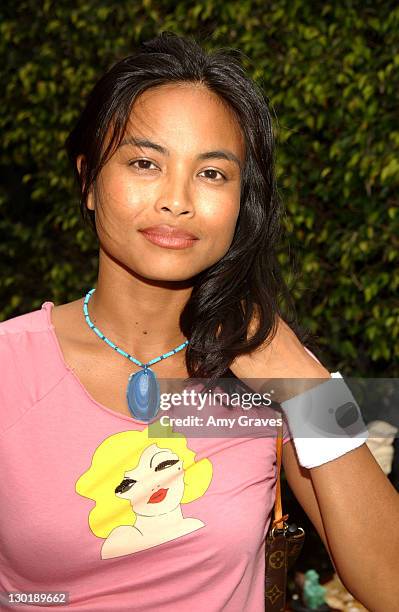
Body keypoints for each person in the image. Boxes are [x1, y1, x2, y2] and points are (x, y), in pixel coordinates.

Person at [0, 32, 398, 612]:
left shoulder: (267, 379)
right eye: (144, 163)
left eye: (212, 173)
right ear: (88, 181)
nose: (177, 200)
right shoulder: (12, 366)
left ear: (243, 202)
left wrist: (303, 382)